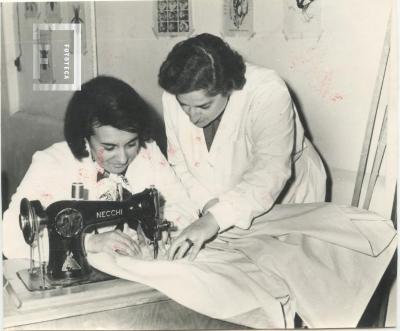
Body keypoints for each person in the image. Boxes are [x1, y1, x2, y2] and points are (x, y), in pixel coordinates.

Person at [158, 33, 327, 260]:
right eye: (184, 106)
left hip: (286, 194)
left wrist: (215, 218)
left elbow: (269, 173)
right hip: (221, 201)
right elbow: (179, 163)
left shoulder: (267, 91)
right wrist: (209, 205)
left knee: (288, 271)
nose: (191, 115)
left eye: (204, 106)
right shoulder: (175, 95)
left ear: (228, 88)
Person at [3, 76, 197, 260]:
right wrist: (87, 243)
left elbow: (184, 206)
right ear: (84, 136)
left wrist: (165, 227)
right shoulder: (52, 164)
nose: (123, 158)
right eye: (109, 147)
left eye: (131, 143)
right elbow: (9, 238)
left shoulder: (148, 152)